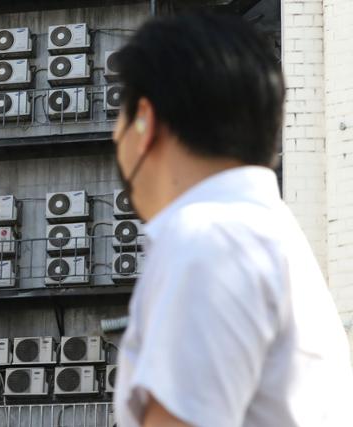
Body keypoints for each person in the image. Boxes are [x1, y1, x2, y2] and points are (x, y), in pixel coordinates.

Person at [113, 12, 353, 427]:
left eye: (120, 117)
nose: (115, 137)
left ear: (144, 120)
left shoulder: (209, 240)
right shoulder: (263, 235)